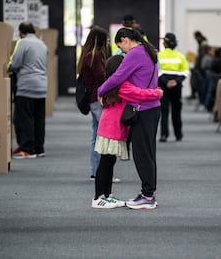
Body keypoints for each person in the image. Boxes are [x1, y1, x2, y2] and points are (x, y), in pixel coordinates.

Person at [97, 27, 160, 209]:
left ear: (125, 40)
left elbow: (117, 76)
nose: (121, 52)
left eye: (120, 47)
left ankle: (148, 196)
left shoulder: (135, 53)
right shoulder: (149, 51)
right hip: (151, 108)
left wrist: (101, 91)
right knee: (147, 153)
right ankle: (148, 193)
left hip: (142, 109)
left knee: (142, 154)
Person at [77, 27, 121, 182]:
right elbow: (102, 80)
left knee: (97, 136)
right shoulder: (95, 57)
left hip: (93, 100)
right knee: (105, 136)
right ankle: (103, 173)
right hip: (98, 100)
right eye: (107, 40)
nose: (109, 42)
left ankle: (96, 172)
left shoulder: (88, 56)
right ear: (100, 40)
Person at [8, 22, 48, 159]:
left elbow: (15, 63)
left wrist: (9, 67)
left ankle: (28, 150)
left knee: (24, 118)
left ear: (21, 32)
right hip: (41, 86)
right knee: (39, 119)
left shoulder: (23, 42)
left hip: (26, 86)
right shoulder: (42, 44)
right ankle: (39, 148)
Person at [158, 32, 189, 142]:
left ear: (165, 43)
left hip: (163, 85)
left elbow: (157, 71)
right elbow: (185, 72)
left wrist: (166, 82)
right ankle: (178, 134)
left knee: (164, 111)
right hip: (177, 86)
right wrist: (176, 81)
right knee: (176, 110)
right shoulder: (180, 56)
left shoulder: (159, 55)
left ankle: (163, 135)